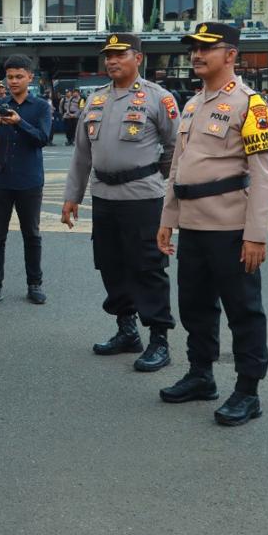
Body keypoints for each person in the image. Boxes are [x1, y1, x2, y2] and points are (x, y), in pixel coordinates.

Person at [157, 22, 268, 426]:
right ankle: (201, 374)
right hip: (192, 225)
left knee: (243, 310)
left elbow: (261, 174)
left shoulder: (250, 103)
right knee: (195, 305)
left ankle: (248, 389)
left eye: (207, 48)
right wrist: (168, 217)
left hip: (230, 227)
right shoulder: (191, 105)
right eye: (193, 48)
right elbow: (177, 166)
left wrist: (256, 234)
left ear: (231, 55)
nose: (196, 54)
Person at [63, 32, 180, 372]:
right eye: (108, 55)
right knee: (111, 264)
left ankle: (159, 338)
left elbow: (175, 149)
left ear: (138, 58)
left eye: (120, 54)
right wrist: (73, 196)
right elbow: (82, 153)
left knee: (148, 267)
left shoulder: (159, 98)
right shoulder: (96, 99)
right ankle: (126, 330)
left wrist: (167, 191)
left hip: (143, 197)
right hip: (104, 196)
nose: (111, 61)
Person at [0, 54, 52, 307]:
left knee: (31, 234)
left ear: (30, 77)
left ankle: (35, 283)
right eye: (9, 77)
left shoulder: (41, 106)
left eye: (19, 76)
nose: (13, 81)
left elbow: (42, 138)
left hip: (29, 180)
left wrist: (19, 122)